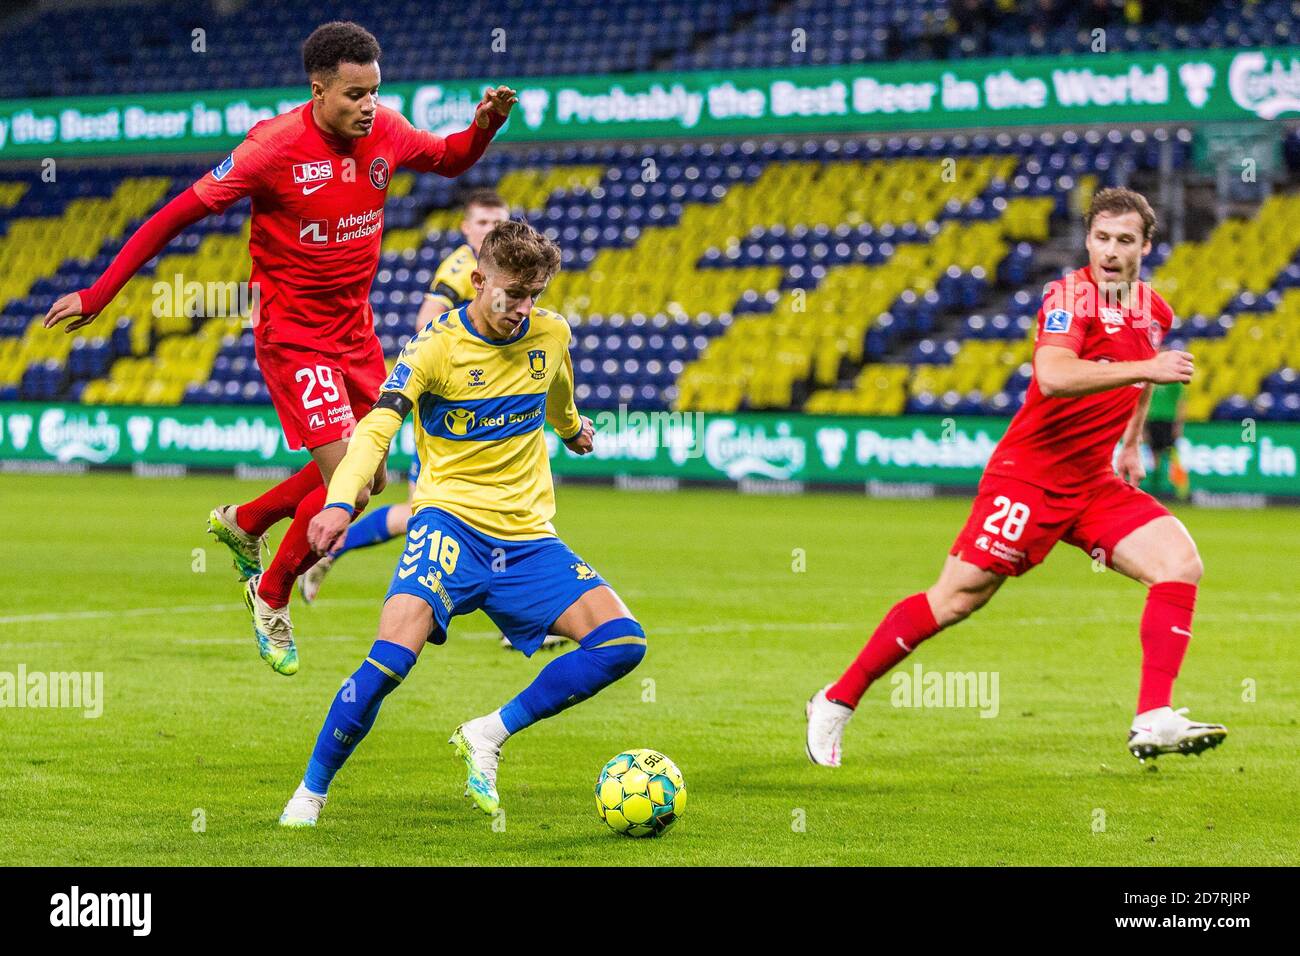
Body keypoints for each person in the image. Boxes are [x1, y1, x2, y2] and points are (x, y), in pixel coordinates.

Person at [43, 21, 515, 676]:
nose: (368, 105)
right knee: (343, 482)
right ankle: (271, 595)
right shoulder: (273, 148)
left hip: (357, 333)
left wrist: (484, 125)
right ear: (317, 89)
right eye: (354, 94)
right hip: (295, 337)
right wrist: (99, 294)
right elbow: (173, 214)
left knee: (372, 479)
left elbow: (451, 157)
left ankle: (246, 520)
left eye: (375, 91)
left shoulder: (387, 131)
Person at [806, 187, 1226, 767]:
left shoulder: (1153, 310)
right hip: (1028, 477)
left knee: (1180, 564)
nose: (1109, 251)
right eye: (1100, 238)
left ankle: (1153, 716)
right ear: (1087, 241)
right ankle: (837, 698)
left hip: (1093, 482)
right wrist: (1148, 367)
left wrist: (1130, 443)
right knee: (955, 600)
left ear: (1146, 246)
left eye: (1124, 240)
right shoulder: (1070, 296)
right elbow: (1053, 375)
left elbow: (1141, 377)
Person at [278, 220, 646, 826]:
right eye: (511, 293)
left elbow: (558, 390)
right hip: (448, 525)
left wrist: (571, 427)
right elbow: (376, 428)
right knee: (390, 661)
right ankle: (310, 793)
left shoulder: (550, 335)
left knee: (623, 643)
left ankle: (488, 732)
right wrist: (341, 501)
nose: (522, 309)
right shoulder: (433, 348)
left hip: (528, 538)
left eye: (535, 295)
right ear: (478, 280)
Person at [296, 189, 510, 602]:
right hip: (453, 413)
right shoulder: (463, 269)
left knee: (442, 516)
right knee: (440, 517)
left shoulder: (502, 273)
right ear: (466, 229)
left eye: (499, 224)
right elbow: (427, 321)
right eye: (483, 223)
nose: (491, 231)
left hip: (486, 409)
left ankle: (336, 550)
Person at [1146, 381, 1190, 500]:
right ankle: (1157, 488)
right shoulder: (1151, 379)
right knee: (1155, 455)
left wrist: (1179, 425)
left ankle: (1177, 489)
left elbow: (1181, 403)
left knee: (1171, 455)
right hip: (1154, 419)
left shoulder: (1175, 381)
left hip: (1168, 420)